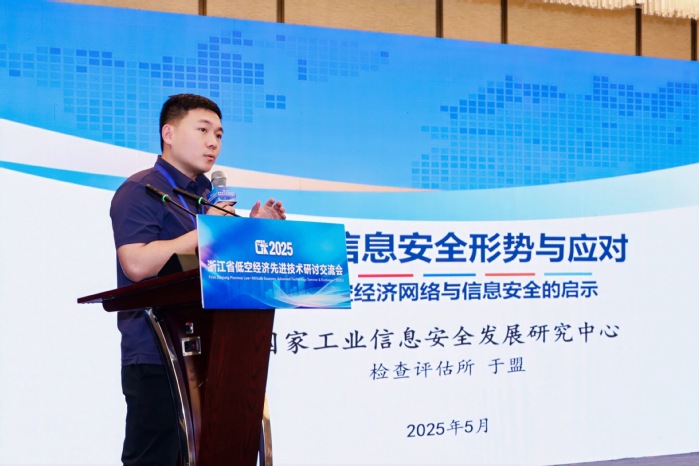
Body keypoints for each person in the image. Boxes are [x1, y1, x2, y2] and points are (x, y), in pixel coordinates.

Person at [110, 93, 285, 466]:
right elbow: (136, 264)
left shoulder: (208, 196)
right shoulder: (142, 190)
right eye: (203, 130)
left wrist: (252, 232)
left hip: (219, 353)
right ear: (169, 134)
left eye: (219, 135)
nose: (213, 143)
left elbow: (221, 268)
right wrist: (206, 231)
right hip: (160, 356)